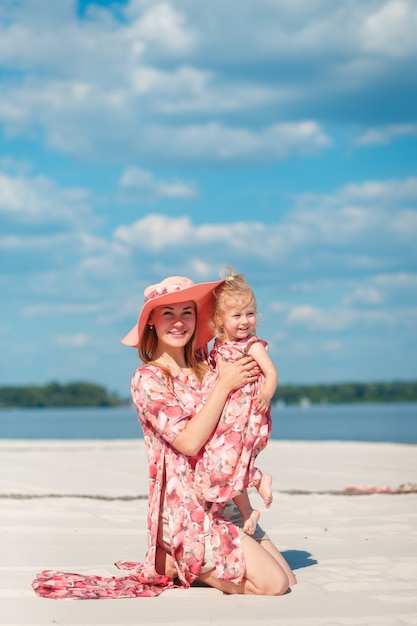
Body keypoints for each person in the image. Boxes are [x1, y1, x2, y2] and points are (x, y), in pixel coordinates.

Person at [32, 275, 295, 599]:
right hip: (186, 510)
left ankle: (192, 562)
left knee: (289, 578)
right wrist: (225, 385)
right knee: (273, 586)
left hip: (224, 497)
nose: (179, 321)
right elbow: (188, 442)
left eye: (187, 311)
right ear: (152, 322)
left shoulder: (210, 364)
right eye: (167, 313)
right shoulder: (148, 379)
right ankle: (177, 559)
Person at [194, 268, 277, 535]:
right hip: (224, 414)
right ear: (220, 318)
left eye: (250, 314)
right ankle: (247, 510)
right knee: (224, 459)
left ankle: (258, 479)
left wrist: (265, 395)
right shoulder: (217, 345)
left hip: (245, 411)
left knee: (233, 458)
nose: (245, 321)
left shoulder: (251, 345)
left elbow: (271, 373)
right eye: (237, 315)